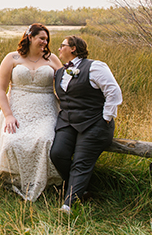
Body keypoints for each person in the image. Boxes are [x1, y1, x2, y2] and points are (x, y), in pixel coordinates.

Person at [0, 23, 63, 201]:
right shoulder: (12, 58)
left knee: (45, 141)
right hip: (17, 109)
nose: (45, 42)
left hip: (46, 111)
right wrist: (8, 115)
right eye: (41, 38)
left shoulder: (52, 60)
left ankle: (43, 183)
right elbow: (0, 89)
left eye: (47, 39)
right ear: (30, 37)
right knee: (11, 142)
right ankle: (15, 180)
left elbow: (64, 86)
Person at [50, 35, 123, 214]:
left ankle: (68, 205)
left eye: (62, 46)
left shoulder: (95, 67)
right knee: (57, 154)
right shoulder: (60, 72)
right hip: (68, 122)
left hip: (94, 123)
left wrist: (106, 118)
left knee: (81, 162)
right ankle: (82, 190)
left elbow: (113, 92)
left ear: (73, 48)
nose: (59, 49)